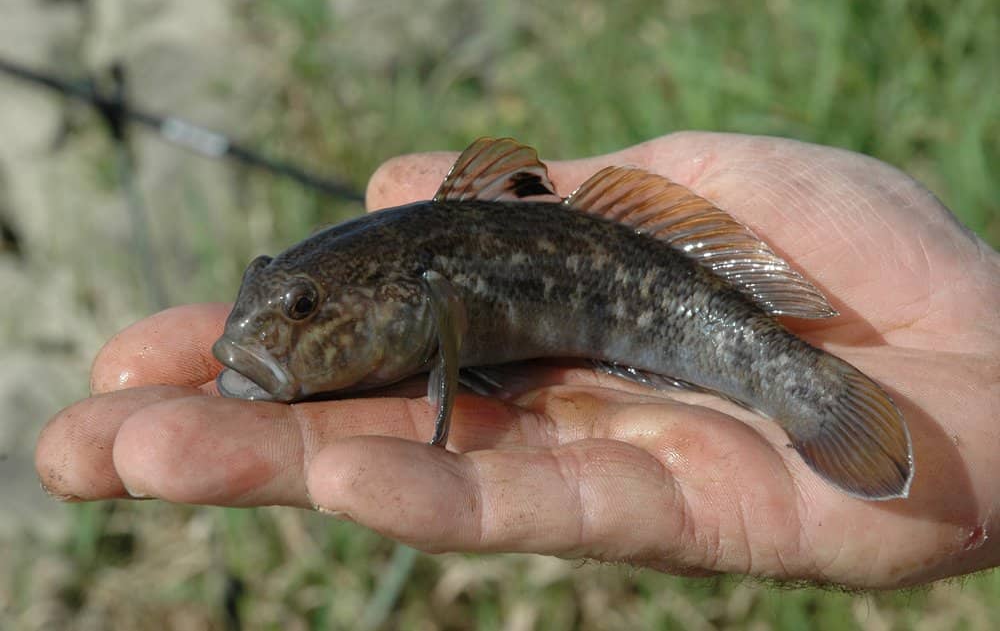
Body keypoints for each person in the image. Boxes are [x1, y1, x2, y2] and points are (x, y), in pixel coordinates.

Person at [35, 132, 1000, 589]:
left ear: (415, 300)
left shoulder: (432, 283)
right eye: (276, 299)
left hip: (717, 314)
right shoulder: (403, 278)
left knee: (740, 356)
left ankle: (804, 395)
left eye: (302, 308)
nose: (264, 331)